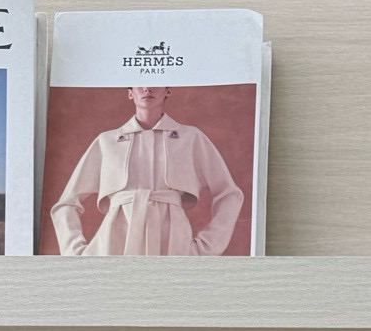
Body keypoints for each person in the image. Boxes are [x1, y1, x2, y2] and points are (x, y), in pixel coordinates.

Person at [48, 85, 244, 256]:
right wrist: (76, 253)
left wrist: (206, 248)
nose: (147, 88)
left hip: (173, 244)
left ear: (168, 90)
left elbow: (229, 194)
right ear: (130, 92)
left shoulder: (190, 137)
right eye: (139, 82)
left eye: (155, 82)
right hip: (113, 245)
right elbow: (66, 204)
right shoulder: (107, 141)